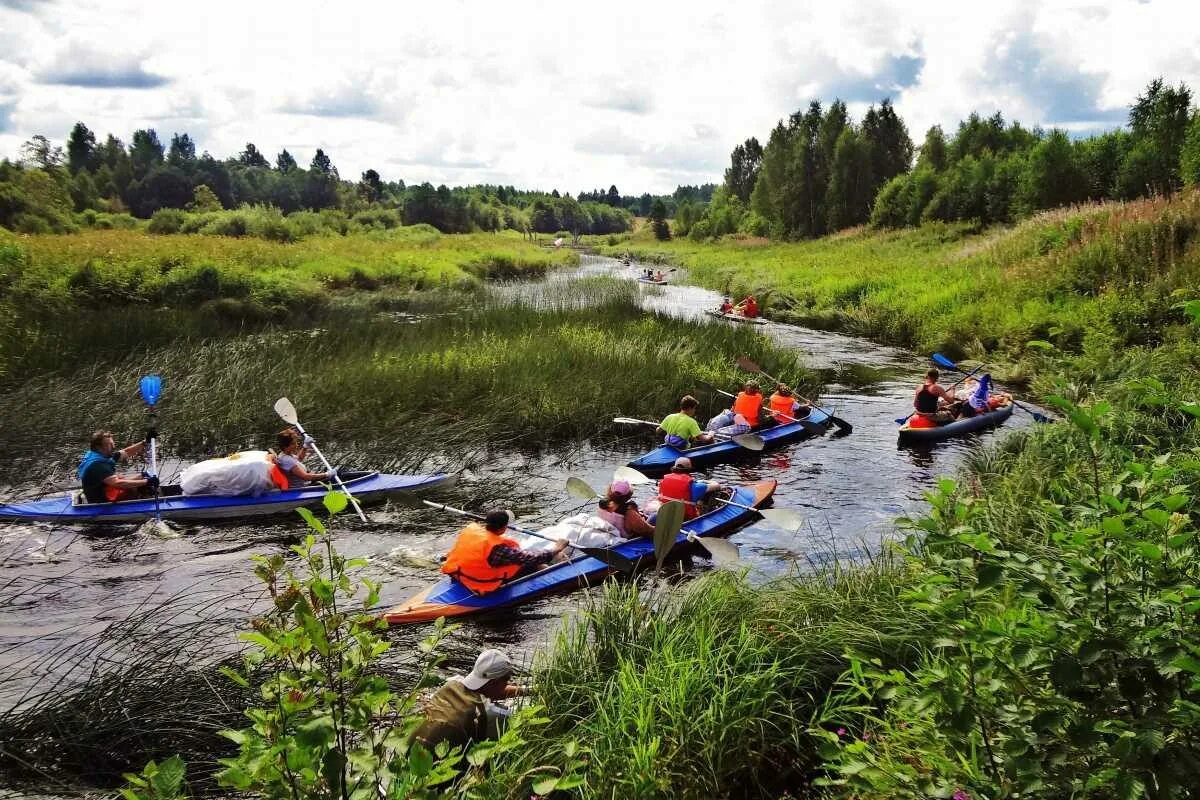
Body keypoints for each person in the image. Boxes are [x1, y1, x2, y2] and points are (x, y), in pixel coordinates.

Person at [413, 648, 531, 751]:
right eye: (506, 680)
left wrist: (528, 690)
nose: (508, 683)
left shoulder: (452, 684)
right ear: (495, 682)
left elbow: (493, 691)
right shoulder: (490, 714)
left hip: (413, 754)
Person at [441, 509, 567, 595]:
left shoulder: (471, 532)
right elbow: (532, 558)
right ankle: (552, 580)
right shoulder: (498, 548)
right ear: (502, 529)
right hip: (480, 583)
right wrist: (557, 548)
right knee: (537, 563)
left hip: (460, 575)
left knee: (524, 556)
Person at [78, 430, 154, 504]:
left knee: (143, 476)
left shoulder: (96, 455)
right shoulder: (98, 465)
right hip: (102, 501)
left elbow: (126, 452)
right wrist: (146, 482)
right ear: (99, 447)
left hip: (105, 489)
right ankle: (144, 502)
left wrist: (145, 442)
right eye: (109, 445)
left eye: (112, 443)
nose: (113, 446)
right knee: (135, 487)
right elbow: (119, 484)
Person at [657, 457, 722, 520]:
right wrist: (705, 481)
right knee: (704, 497)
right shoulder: (696, 486)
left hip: (665, 513)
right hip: (685, 517)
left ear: (674, 467)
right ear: (689, 469)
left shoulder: (662, 481)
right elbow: (717, 486)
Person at [273, 428, 337, 488]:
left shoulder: (285, 454)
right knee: (340, 475)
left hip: (308, 482)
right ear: (285, 446)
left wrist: (305, 446)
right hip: (304, 488)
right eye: (293, 443)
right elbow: (306, 477)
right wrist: (327, 474)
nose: (296, 445)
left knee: (341, 473)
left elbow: (299, 459)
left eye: (296, 442)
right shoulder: (286, 460)